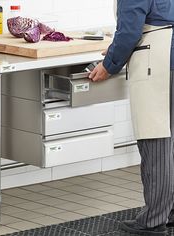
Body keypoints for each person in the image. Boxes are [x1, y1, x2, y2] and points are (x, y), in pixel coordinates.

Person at [89, 0, 174, 235]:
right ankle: (170, 210)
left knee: (155, 140)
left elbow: (130, 30)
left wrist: (110, 64)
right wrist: (118, 47)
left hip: (159, 58)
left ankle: (154, 220)